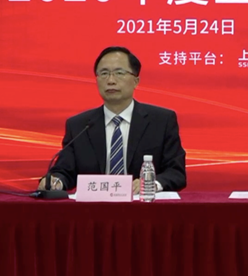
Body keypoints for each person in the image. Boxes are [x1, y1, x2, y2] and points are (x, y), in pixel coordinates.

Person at [38, 47, 186, 192]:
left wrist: (152, 183)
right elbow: (64, 171)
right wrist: (55, 181)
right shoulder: (79, 125)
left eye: (119, 73)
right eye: (104, 73)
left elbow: (176, 173)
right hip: (94, 206)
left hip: (143, 204)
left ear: (136, 81)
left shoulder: (161, 121)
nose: (110, 80)